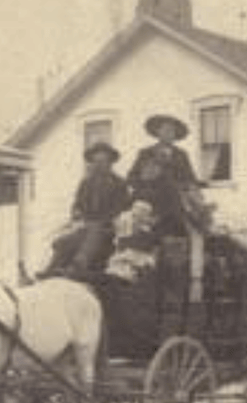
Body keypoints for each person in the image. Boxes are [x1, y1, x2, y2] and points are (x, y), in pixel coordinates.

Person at [42, 141, 131, 279]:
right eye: (95, 161)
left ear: (110, 163)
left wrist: (100, 221)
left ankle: (77, 266)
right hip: (86, 226)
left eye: (103, 161)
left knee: (94, 230)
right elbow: (77, 204)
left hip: (109, 229)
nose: (98, 165)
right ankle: (51, 269)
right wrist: (76, 212)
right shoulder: (86, 183)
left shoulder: (119, 183)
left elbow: (120, 209)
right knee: (63, 241)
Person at [127, 114, 207, 237]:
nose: (168, 134)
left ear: (175, 135)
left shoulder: (181, 155)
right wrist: (145, 179)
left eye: (172, 131)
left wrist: (192, 188)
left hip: (176, 200)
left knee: (194, 222)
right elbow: (131, 178)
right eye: (165, 130)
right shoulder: (146, 153)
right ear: (158, 132)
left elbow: (190, 178)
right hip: (150, 199)